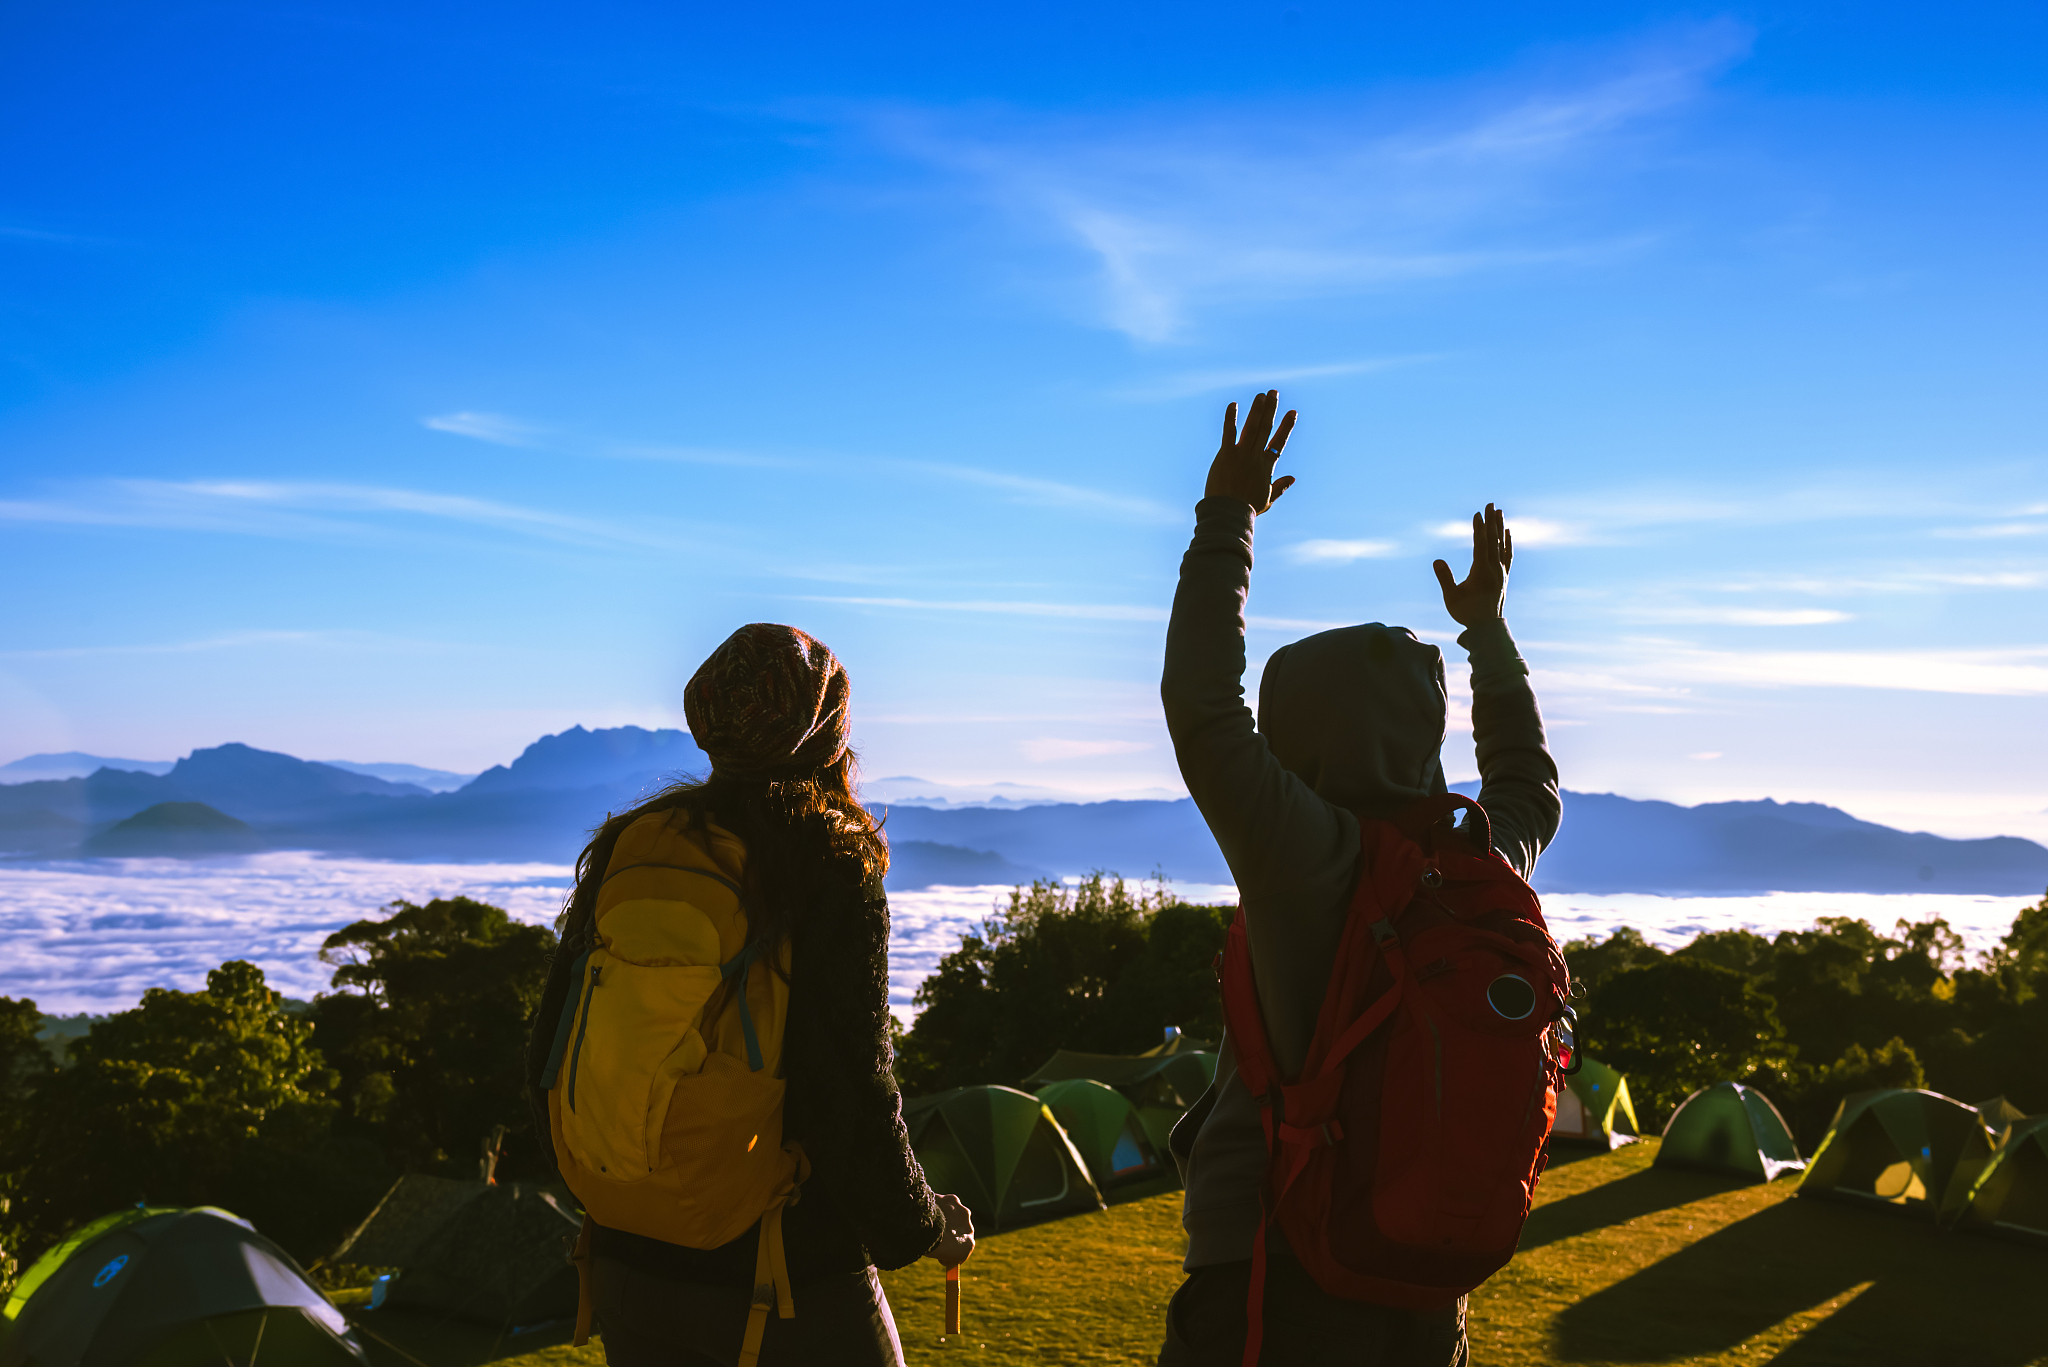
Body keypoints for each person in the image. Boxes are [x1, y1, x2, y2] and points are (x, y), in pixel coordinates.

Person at [1156, 391, 1560, 1366]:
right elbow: (1525, 781)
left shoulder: (1302, 852)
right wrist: (1486, 630)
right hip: (1425, 1286)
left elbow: (1201, 705)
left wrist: (1227, 520)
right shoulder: (1475, 863)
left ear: (1292, 725)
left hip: (1272, 1271)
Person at [525, 623, 975, 1366]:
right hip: (784, 1276)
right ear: (825, 729)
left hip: (628, 1266)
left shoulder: (634, 844)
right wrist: (922, 1225)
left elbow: (551, 1048)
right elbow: (850, 1089)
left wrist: (625, 1191)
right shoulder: (827, 859)